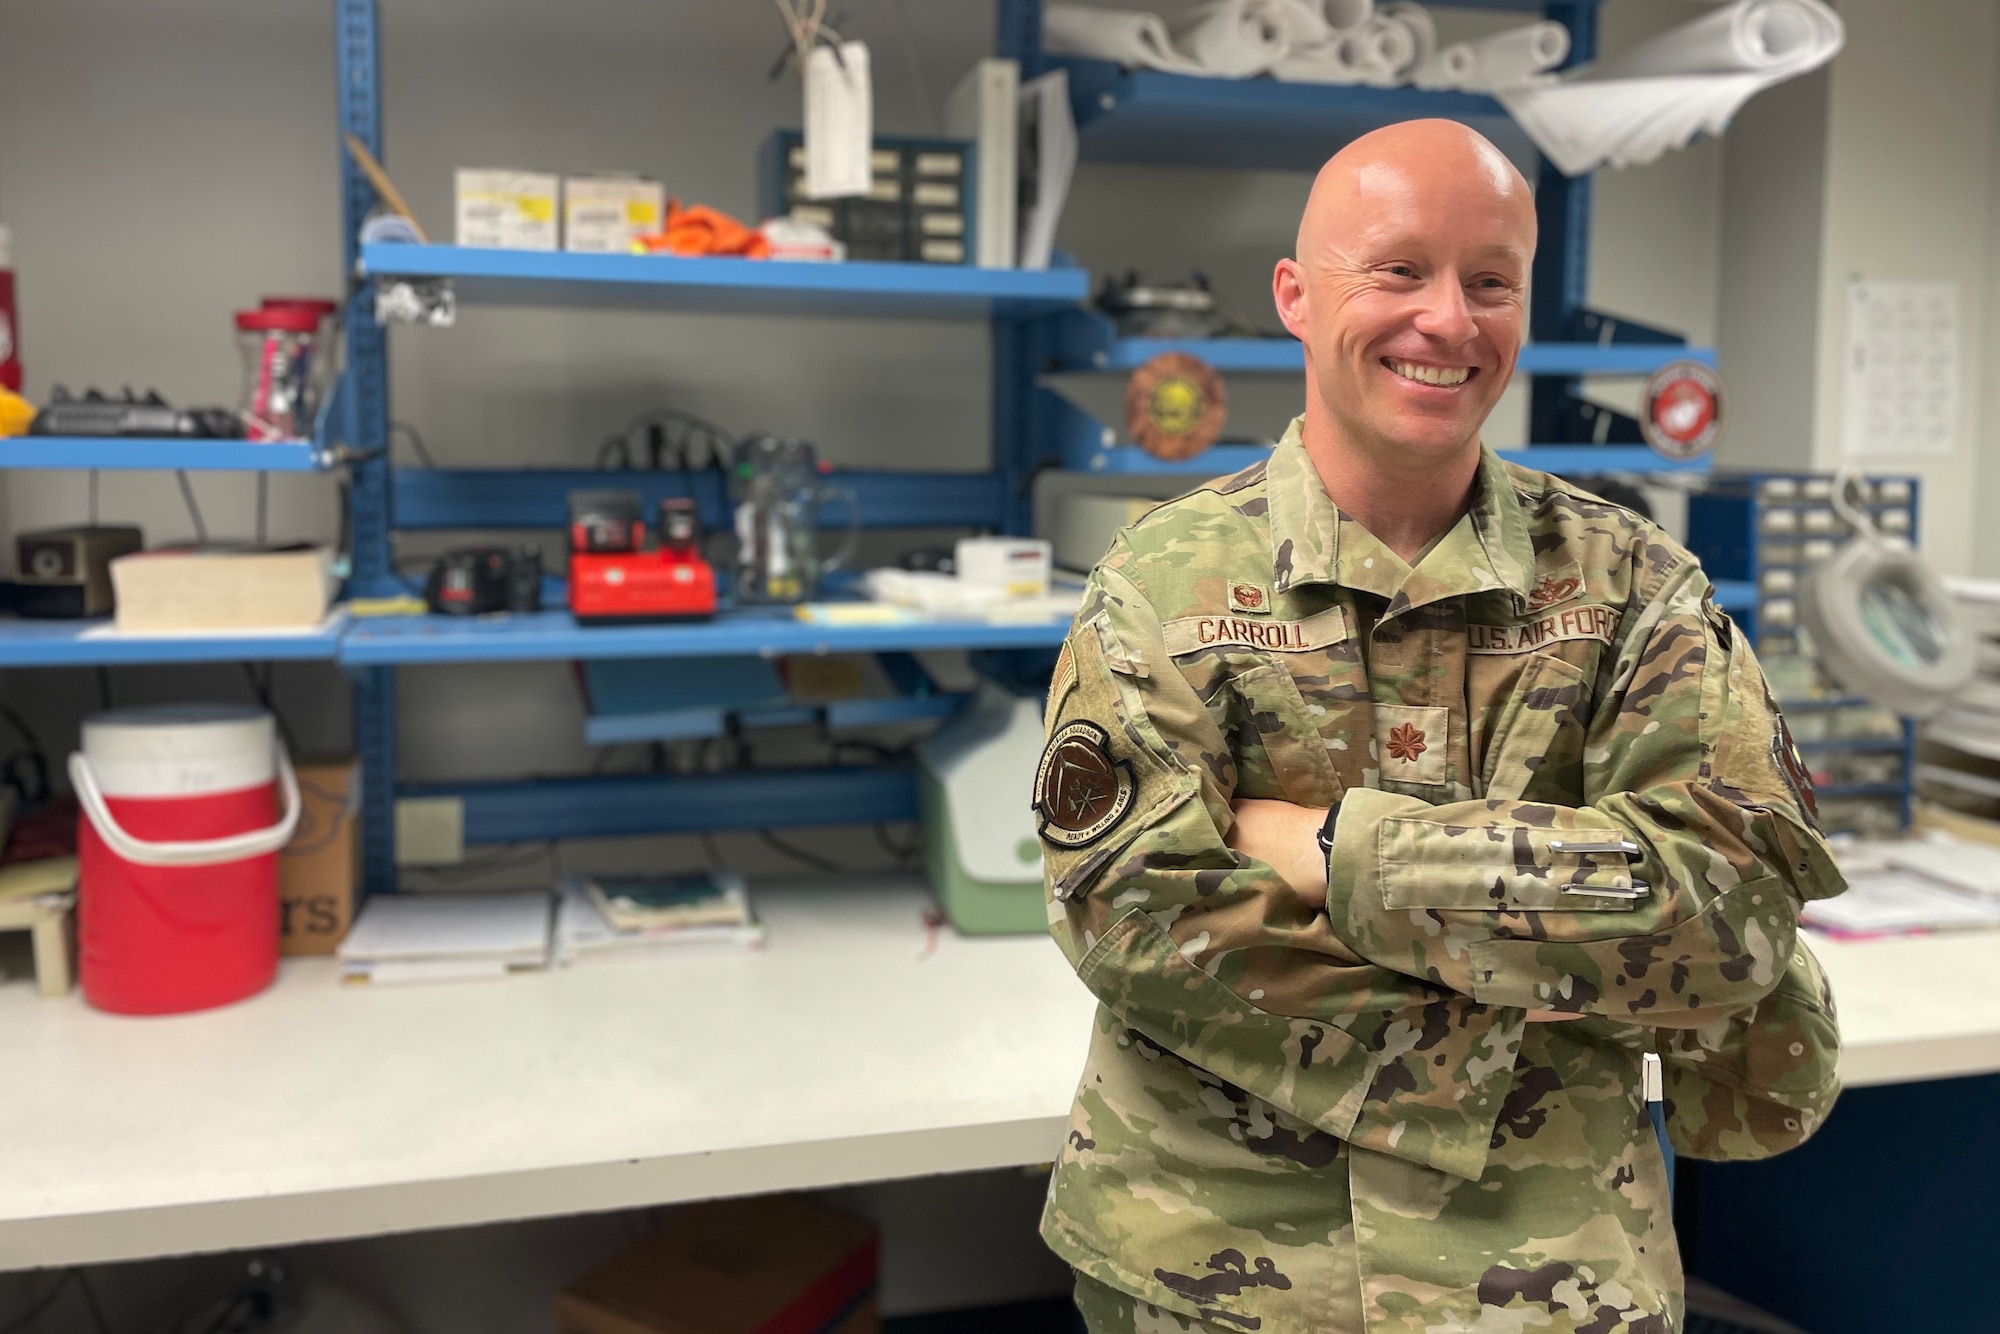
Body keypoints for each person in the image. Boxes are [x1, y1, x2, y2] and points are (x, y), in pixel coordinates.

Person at [1034, 119, 1845, 1334]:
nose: (1449, 320)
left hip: (1554, 1280)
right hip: (1223, 1279)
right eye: (1398, 269)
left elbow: (1729, 914)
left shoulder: (1629, 584)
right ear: (1296, 298)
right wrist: (1547, 969)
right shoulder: (1162, 582)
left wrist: (1336, 855)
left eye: (1489, 281)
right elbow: (1136, 916)